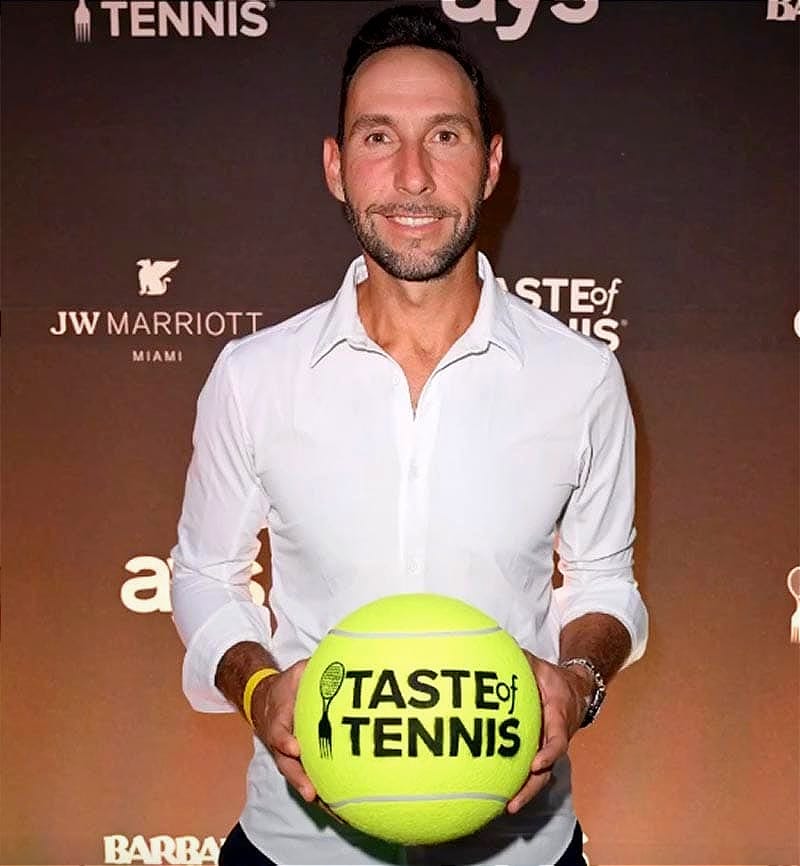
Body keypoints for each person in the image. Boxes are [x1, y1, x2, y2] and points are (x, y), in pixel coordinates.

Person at [170, 5, 648, 865]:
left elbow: (604, 584)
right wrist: (258, 688)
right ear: (336, 167)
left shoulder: (581, 377)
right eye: (379, 137)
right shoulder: (253, 375)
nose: (414, 177)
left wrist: (578, 682)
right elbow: (205, 575)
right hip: (298, 848)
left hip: (522, 850)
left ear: (491, 163)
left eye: (446, 137)